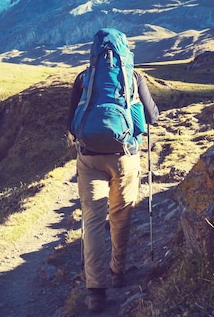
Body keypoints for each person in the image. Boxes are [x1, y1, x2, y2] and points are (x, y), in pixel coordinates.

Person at [68, 29, 160, 313]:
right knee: (120, 215)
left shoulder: (84, 79)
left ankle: (95, 291)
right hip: (125, 157)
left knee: (93, 221)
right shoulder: (133, 78)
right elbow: (152, 117)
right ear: (125, 54)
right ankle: (117, 272)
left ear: (94, 54)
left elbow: (71, 122)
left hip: (89, 158)